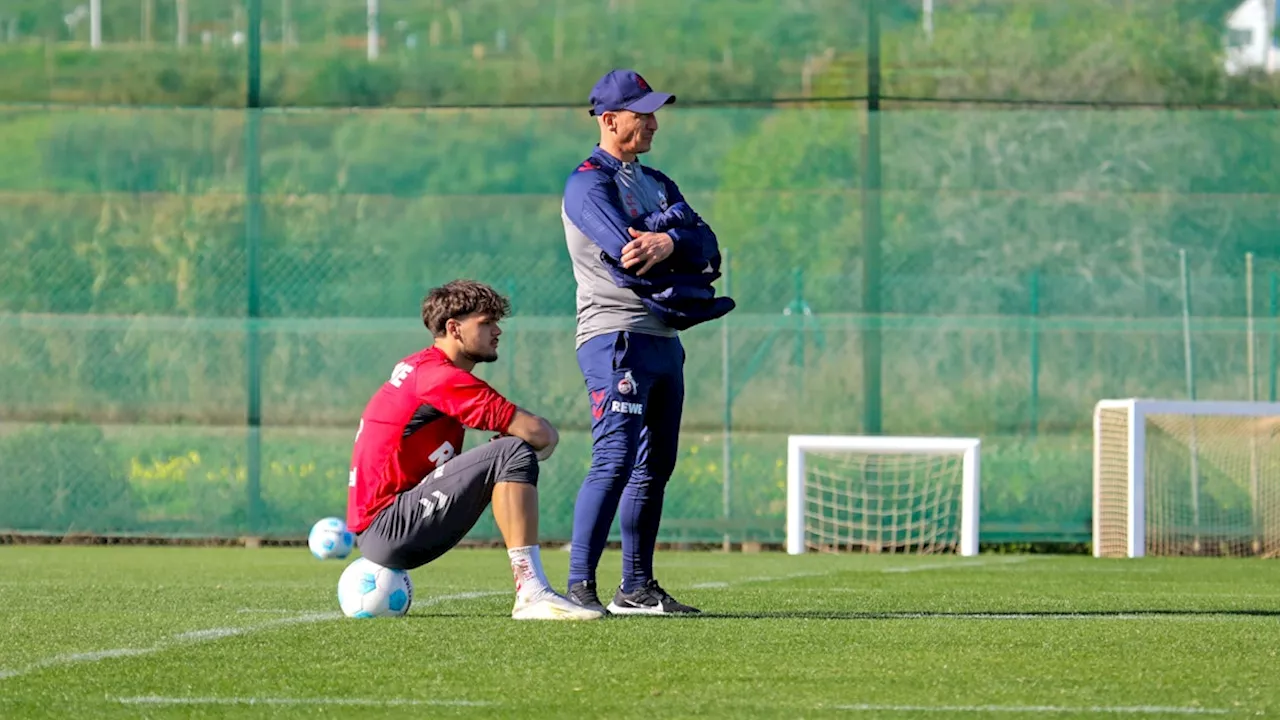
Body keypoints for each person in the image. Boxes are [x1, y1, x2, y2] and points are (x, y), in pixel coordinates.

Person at [560, 69, 735, 615]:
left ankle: (636, 588)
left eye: (654, 112)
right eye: (643, 114)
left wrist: (669, 238)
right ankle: (578, 589)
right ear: (609, 121)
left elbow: (710, 249)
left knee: (655, 465)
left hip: (662, 338)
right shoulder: (587, 182)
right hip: (615, 336)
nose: (654, 123)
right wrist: (670, 241)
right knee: (613, 458)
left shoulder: (656, 180)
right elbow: (626, 255)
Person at [346, 279, 602, 621]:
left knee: (509, 453)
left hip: (383, 525)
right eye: (486, 323)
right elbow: (540, 434)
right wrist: (527, 450)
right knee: (512, 451)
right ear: (454, 328)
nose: (497, 331)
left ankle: (532, 591)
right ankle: (531, 592)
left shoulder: (423, 367)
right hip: (388, 527)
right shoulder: (440, 377)